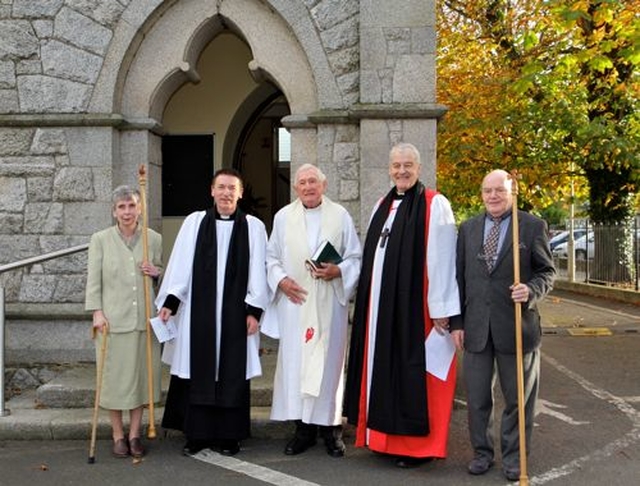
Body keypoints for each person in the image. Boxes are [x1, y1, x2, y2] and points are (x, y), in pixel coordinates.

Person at [344, 142, 460, 468]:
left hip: (415, 311)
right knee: (384, 374)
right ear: (389, 169)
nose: (402, 171)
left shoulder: (434, 204)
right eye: (396, 166)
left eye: (408, 165)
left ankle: (417, 448)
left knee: (413, 378)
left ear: (419, 168)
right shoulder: (383, 203)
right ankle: (383, 439)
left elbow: (443, 259)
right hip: (381, 311)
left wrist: (441, 309)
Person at [450, 169, 555, 481]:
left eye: (499, 190)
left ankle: (514, 458)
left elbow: (547, 272)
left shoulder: (532, 226)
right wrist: (457, 322)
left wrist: (531, 290)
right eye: (487, 191)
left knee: (517, 400)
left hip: (517, 327)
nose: (493, 196)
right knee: (478, 399)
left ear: (512, 192)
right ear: (481, 194)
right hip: (476, 328)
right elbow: (459, 278)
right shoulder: (467, 229)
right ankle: (482, 453)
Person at [156, 168, 268, 457]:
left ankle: (230, 436)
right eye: (221, 187)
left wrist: (254, 310)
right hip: (198, 312)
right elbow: (180, 264)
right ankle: (197, 435)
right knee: (198, 368)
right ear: (212, 190)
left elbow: (258, 270)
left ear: (240, 193)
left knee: (232, 370)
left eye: (232, 188)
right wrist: (171, 301)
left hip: (236, 313)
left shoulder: (253, 227)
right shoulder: (195, 223)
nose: (226, 193)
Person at [262, 163, 361, 458]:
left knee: (328, 367)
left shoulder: (340, 215)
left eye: (313, 182)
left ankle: (331, 431)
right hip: (297, 303)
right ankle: (302, 429)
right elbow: (271, 258)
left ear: (324, 185)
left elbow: (355, 256)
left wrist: (338, 270)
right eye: (302, 182)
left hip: (329, 304)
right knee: (297, 366)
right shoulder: (283, 217)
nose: (308, 187)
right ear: (295, 188)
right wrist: (281, 281)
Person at [85, 185, 163, 458]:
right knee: (114, 381)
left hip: (144, 321)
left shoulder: (152, 239)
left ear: (140, 208)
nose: (127, 212)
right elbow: (94, 280)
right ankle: (118, 435)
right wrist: (96, 311)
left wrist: (156, 273)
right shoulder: (100, 239)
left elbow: (164, 278)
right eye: (121, 207)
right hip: (112, 322)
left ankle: (135, 434)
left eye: (131, 205)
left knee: (140, 379)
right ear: (113, 211)